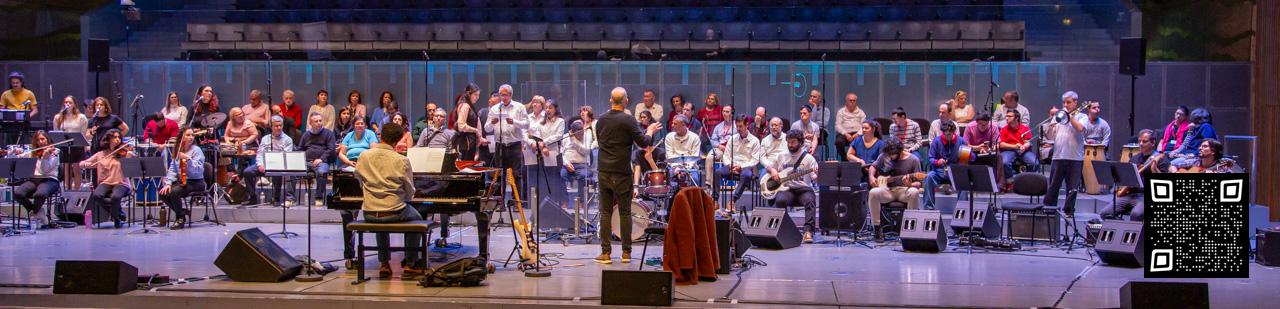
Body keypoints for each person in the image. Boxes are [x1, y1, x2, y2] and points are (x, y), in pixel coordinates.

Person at [593, 87, 661, 264]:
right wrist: (650, 130)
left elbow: (600, 141)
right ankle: (626, 253)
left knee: (605, 212)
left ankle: (605, 253)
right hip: (622, 172)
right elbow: (644, 143)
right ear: (626, 101)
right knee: (625, 212)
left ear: (610, 100)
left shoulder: (601, 120)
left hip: (604, 171)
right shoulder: (629, 120)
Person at [353, 122, 425, 279]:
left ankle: (384, 264)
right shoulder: (401, 160)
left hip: (369, 212)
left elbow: (358, 178)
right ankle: (411, 264)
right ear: (397, 141)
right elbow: (409, 191)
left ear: (380, 136)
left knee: (380, 220)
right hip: (395, 211)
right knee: (418, 219)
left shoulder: (364, 156)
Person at [762, 129, 819, 243]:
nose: (790, 145)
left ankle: (808, 231)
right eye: (788, 142)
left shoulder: (808, 158)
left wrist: (819, 174)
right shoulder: (781, 156)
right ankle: (783, 229)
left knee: (810, 200)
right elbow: (769, 166)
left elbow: (815, 178)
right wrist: (773, 170)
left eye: (793, 142)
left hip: (803, 189)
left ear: (800, 142)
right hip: (786, 188)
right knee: (780, 200)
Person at [1098, 129, 1167, 221]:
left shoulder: (1161, 160)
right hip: (1130, 195)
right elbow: (1126, 178)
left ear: (1153, 143)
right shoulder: (1135, 158)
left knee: (1136, 214)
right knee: (1105, 213)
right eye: (1139, 141)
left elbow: (1164, 185)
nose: (1141, 144)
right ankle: (1121, 228)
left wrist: (1154, 170)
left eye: (1144, 141)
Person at [866, 139, 922, 242]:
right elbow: (873, 166)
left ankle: (910, 228)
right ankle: (877, 228)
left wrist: (910, 184)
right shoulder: (885, 155)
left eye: (893, 154)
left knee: (914, 192)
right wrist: (871, 177)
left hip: (904, 190)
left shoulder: (913, 160)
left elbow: (919, 184)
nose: (891, 157)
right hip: (888, 190)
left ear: (900, 151)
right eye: (889, 154)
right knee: (873, 193)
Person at [1043, 91, 1089, 209]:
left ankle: (1069, 212)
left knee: (1072, 188)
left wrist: (1068, 116)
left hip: (1075, 158)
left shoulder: (1082, 117)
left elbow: (1080, 128)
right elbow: (1051, 136)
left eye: (1068, 102)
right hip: (1058, 156)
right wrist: (1051, 123)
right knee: (1053, 186)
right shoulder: (1059, 116)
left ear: (1075, 102)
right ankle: (1049, 209)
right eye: (1064, 102)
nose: (1065, 105)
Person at [80, 129, 133, 228]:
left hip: (121, 183)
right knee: (96, 195)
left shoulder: (123, 152)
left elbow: (133, 165)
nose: (118, 139)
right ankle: (118, 213)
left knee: (115, 197)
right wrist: (86, 164)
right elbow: (82, 163)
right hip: (106, 182)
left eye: (119, 137)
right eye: (115, 137)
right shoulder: (100, 154)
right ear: (108, 139)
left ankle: (116, 218)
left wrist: (129, 157)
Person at [158, 127, 205, 229]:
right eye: (188, 135)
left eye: (192, 135)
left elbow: (198, 171)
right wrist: (168, 183)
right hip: (183, 181)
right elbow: (172, 169)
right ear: (182, 137)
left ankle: (180, 219)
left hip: (196, 182)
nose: (191, 137)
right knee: (162, 193)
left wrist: (188, 159)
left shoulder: (197, 150)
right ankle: (182, 212)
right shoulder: (178, 150)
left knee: (174, 192)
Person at [12, 131, 60, 229]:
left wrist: (45, 158)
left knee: (40, 194)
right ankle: (38, 211)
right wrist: (15, 153)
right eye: (38, 140)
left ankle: (34, 212)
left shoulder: (55, 152)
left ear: (48, 139)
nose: (41, 142)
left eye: (43, 139)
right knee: (18, 194)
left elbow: (45, 170)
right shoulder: (33, 152)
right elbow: (17, 160)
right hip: (34, 179)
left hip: (50, 179)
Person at [485, 84, 529, 189]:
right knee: (500, 174)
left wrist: (514, 122)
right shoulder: (495, 108)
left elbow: (527, 124)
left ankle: (516, 198)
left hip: (515, 145)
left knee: (516, 174)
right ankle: (501, 199)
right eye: (501, 95)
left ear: (510, 95)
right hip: (500, 145)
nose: (503, 97)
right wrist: (492, 123)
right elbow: (487, 128)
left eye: (505, 95)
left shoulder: (519, 107)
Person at [242, 116, 293, 206]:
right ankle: (252, 197)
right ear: (271, 127)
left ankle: (276, 198)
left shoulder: (288, 140)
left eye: (280, 125)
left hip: (278, 165)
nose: (279, 128)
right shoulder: (265, 138)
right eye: (276, 126)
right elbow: (260, 153)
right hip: (264, 164)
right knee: (247, 172)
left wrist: (273, 164)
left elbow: (285, 156)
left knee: (277, 172)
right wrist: (260, 165)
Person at [715, 116, 759, 206]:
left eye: (740, 126)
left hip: (746, 167)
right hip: (732, 165)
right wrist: (730, 165)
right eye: (737, 126)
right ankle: (715, 200)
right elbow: (726, 155)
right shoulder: (732, 139)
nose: (738, 129)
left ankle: (733, 201)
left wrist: (741, 167)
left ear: (747, 125)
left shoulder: (755, 141)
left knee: (746, 175)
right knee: (717, 172)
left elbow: (755, 160)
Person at [923, 121, 966, 210]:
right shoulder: (937, 141)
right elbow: (930, 158)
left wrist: (968, 155)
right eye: (945, 134)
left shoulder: (961, 141)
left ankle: (962, 209)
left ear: (954, 132)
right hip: (939, 172)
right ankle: (928, 208)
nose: (947, 136)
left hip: (955, 172)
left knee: (964, 179)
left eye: (949, 134)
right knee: (929, 177)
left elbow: (968, 158)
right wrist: (937, 162)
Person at [299, 113, 337, 205]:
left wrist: (321, 159)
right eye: (316, 121)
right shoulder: (306, 135)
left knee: (322, 172)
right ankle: (290, 198)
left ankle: (319, 197)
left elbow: (331, 149)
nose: (319, 123)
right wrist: (299, 160)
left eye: (320, 121)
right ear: (310, 123)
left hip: (321, 162)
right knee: (291, 172)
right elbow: (300, 148)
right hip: (306, 162)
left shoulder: (328, 133)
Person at [54, 95, 89, 191]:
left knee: (76, 169)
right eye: (66, 102)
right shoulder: (58, 117)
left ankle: (76, 191)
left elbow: (83, 133)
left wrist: (84, 146)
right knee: (67, 169)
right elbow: (56, 132)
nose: (67, 104)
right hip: (65, 145)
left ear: (74, 105)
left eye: (70, 102)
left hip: (77, 145)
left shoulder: (81, 117)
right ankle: (67, 191)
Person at [963, 113, 1002, 185]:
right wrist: (978, 148)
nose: (984, 126)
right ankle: (966, 183)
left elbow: (997, 144)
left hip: (988, 151)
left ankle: (999, 185)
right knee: (964, 153)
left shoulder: (993, 126)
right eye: (981, 124)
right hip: (973, 151)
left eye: (986, 124)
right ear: (977, 122)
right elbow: (965, 146)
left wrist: (990, 149)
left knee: (998, 155)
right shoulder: (970, 127)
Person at [999, 109, 1037, 179]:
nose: (1007, 118)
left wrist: (1024, 147)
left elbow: (1028, 142)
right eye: (1006, 116)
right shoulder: (1004, 129)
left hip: (1024, 151)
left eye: (1009, 116)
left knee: (1034, 163)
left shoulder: (1025, 128)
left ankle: (1027, 180)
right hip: (1009, 150)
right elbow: (1001, 144)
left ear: (1016, 118)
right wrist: (1015, 146)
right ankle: (1010, 181)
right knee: (1004, 162)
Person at [562, 120, 594, 203]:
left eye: (581, 131)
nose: (580, 134)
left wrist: (573, 139)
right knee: (560, 176)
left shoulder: (587, 136)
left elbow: (586, 151)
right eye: (578, 132)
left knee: (584, 176)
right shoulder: (565, 138)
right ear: (572, 131)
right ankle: (565, 201)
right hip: (568, 165)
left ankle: (582, 202)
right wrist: (566, 163)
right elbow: (562, 154)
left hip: (582, 164)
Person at [452, 83, 483, 161]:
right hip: (465, 143)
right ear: (469, 94)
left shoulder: (468, 106)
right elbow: (461, 126)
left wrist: (479, 136)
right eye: (475, 95)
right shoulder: (465, 106)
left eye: (478, 95)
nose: (478, 97)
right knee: (466, 166)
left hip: (469, 143)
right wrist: (476, 131)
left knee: (468, 166)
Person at [834, 93, 867, 161]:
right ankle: (845, 158)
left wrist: (858, 133)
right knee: (839, 142)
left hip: (857, 133)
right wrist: (846, 134)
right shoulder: (841, 112)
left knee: (861, 141)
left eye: (854, 100)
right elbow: (838, 125)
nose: (852, 102)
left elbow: (864, 125)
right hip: (844, 133)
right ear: (846, 101)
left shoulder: (861, 112)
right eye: (850, 100)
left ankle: (857, 160)